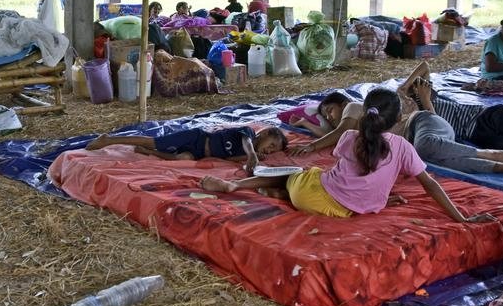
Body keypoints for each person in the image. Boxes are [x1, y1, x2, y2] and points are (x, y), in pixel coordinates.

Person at [201, 88, 474, 223]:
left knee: (297, 174)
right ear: (399, 120)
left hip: (314, 198)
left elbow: (340, 178)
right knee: (313, 179)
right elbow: (431, 185)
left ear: (361, 111)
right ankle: (281, 193)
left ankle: (235, 185)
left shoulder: (349, 137)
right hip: (350, 210)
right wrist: (461, 218)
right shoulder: (404, 147)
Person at [288, 72, 503, 177]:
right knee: (431, 158)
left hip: (425, 123)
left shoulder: (354, 108)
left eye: (329, 110)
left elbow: (340, 132)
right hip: (433, 136)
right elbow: (334, 133)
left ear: (341, 103)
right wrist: (304, 124)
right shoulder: (365, 131)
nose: (329, 117)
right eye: (325, 116)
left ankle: (490, 153)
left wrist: (313, 147)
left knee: (425, 147)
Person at [401, 61, 503, 156]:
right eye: (402, 106)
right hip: (477, 135)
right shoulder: (414, 121)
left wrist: (403, 88)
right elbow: (438, 130)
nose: (406, 103)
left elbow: (424, 66)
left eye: (404, 101)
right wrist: (423, 103)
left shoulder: (421, 95)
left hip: (487, 116)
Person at [86, 125, 287, 174]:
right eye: (271, 145)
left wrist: (247, 158)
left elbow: (232, 159)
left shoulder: (248, 152)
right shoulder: (249, 134)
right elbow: (246, 141)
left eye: (273, 151)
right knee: (154, 141)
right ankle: (109, 140)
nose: (270, 150)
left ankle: (149, 154)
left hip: (200, 153)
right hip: (197, 138)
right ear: (265, 134)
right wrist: (251, 154)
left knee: (181, 159)